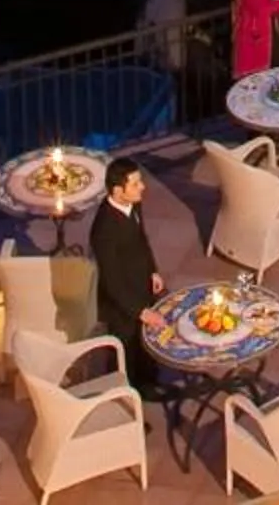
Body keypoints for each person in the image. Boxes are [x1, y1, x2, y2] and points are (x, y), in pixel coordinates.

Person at [87, 157, 166, 392]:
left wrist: (153, 270)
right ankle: (128, 399)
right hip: (122, 303)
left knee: (144, 345)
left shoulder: (134, 204)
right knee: (126, 351)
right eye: (135, 184)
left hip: (141, 283)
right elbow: (112, 281)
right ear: (118, 190)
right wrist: (140, 312)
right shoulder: (104, 230)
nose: (142, 187)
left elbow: (142, 239)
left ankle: (149, 380)